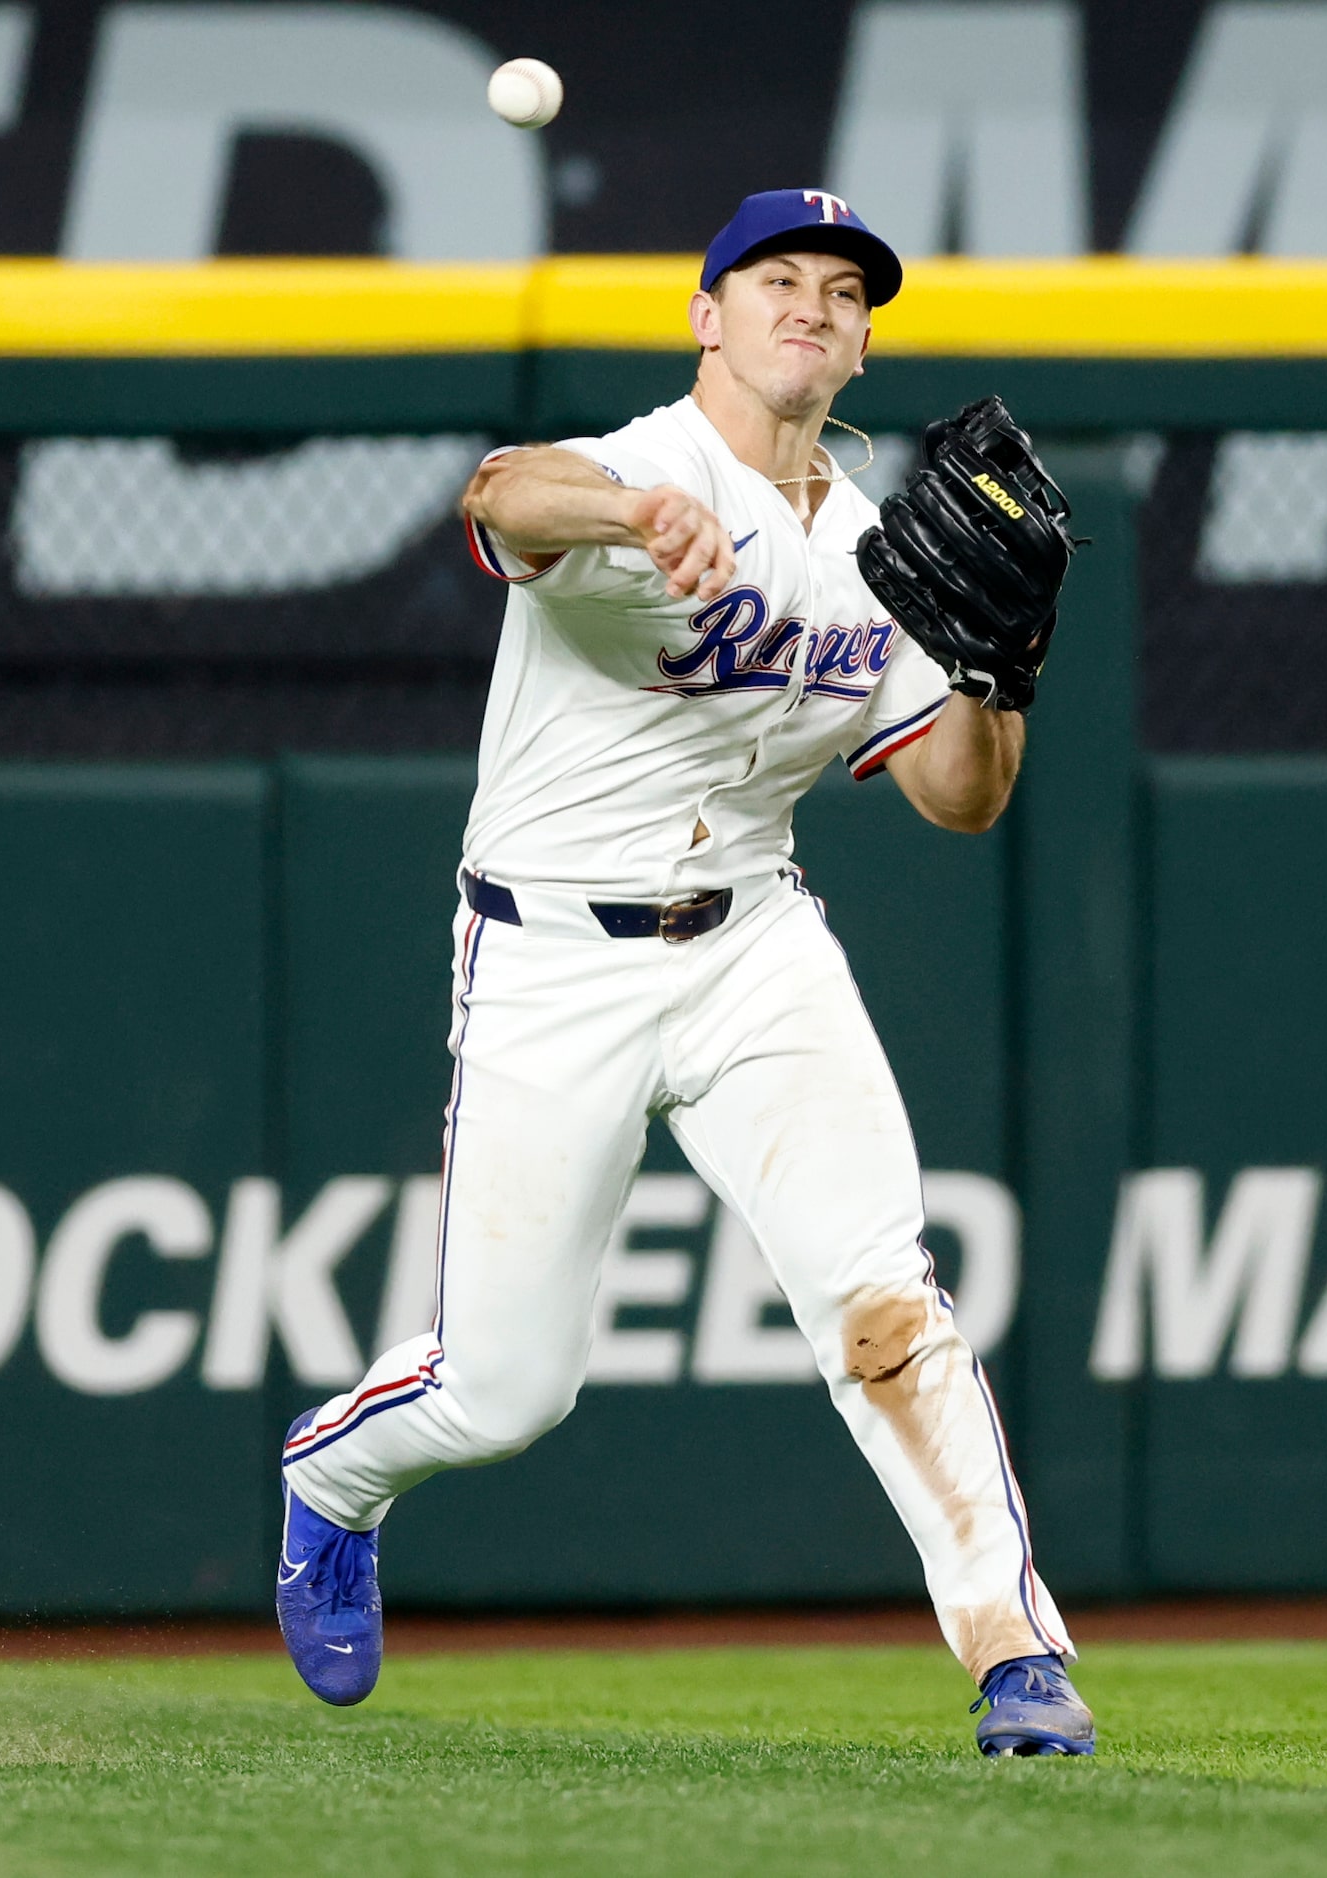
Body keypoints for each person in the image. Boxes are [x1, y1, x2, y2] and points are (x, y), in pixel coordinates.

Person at [271, 189, 1093, 1757]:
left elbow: (960, 798)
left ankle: (1012, 1654)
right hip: (550, 958)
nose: (811, 303)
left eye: (843, 291)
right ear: (707, 318)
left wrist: (1001, 675)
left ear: (861, 341)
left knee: (883, 1304)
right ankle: (333, 1474)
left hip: (752, 945)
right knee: (503, 1393)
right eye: (773, 278)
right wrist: (630, 519)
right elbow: (505, 490)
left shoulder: (877, 548)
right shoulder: (650, 463)